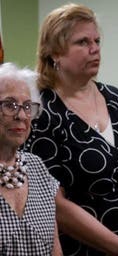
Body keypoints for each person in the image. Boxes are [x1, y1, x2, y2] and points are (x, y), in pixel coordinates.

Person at [23, 3, 118, 256]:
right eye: (82, 42)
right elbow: (54, 202)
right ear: (54, 52)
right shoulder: (41, 111)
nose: (95, 49)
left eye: (97, 41)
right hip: (83, 250)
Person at [0, 63, 61, 255]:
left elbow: (55, 248)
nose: (21, 116)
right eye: (9, 105)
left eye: (27, 106)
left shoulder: (37, 167)